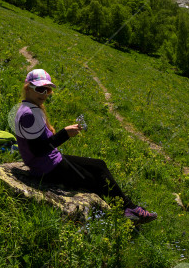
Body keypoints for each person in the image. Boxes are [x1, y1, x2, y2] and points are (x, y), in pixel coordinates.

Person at [14, 68, 157, 224]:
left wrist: (64, 134)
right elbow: (38, 150)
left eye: (47, 90)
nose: (45, 94)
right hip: (46, 168)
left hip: (51, 161)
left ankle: (128, 208)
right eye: (40, 89)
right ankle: (127, 210)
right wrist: (65, 134)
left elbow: (40, 146)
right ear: (28, 88)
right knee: (95, 180)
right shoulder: (28, 114)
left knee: (99, 165)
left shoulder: (30, 108)